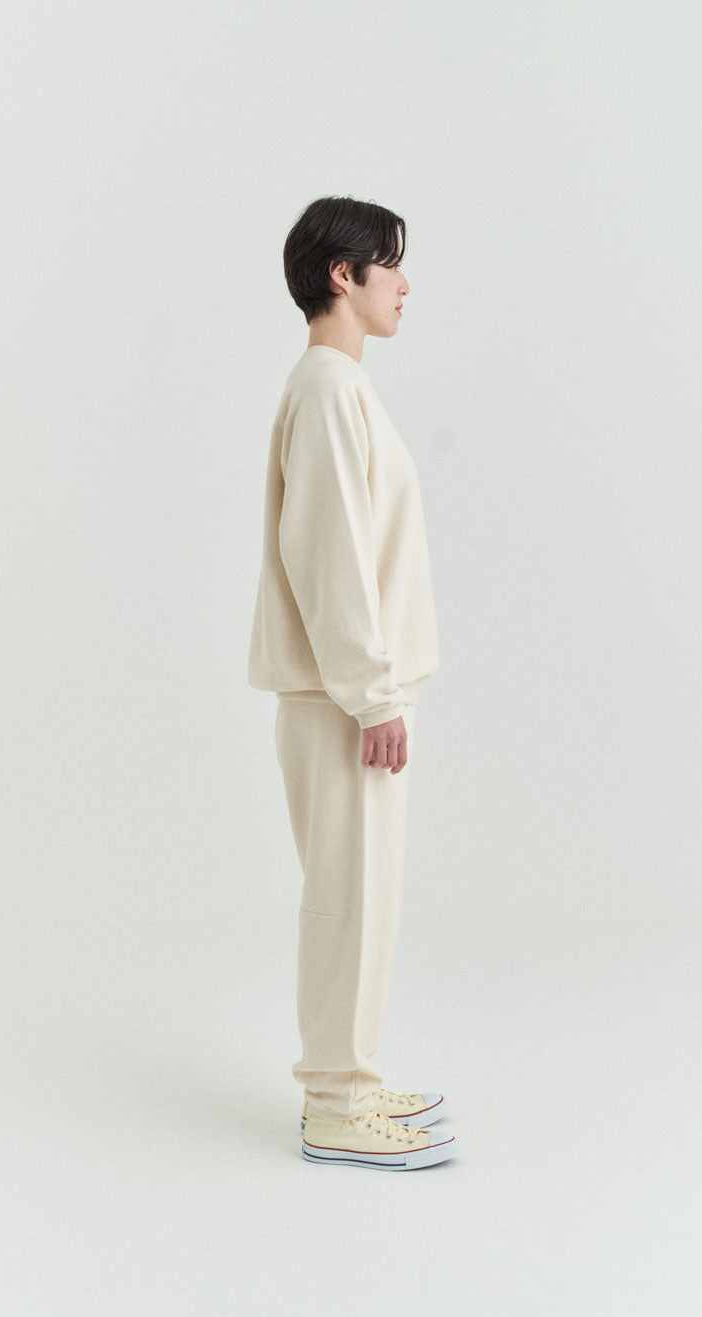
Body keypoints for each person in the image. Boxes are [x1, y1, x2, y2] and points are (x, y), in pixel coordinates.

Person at [247, 195, 459, 1171]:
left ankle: (351, 1086)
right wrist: (374, 695)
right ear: (345, 274)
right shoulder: (329, 388)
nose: (405, 284)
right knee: (349, 898)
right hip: (345, 699)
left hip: (353, 693)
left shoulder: (339, 387)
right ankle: (335, 1105)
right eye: (392, 263)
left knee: (363, 895)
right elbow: (328, 553)